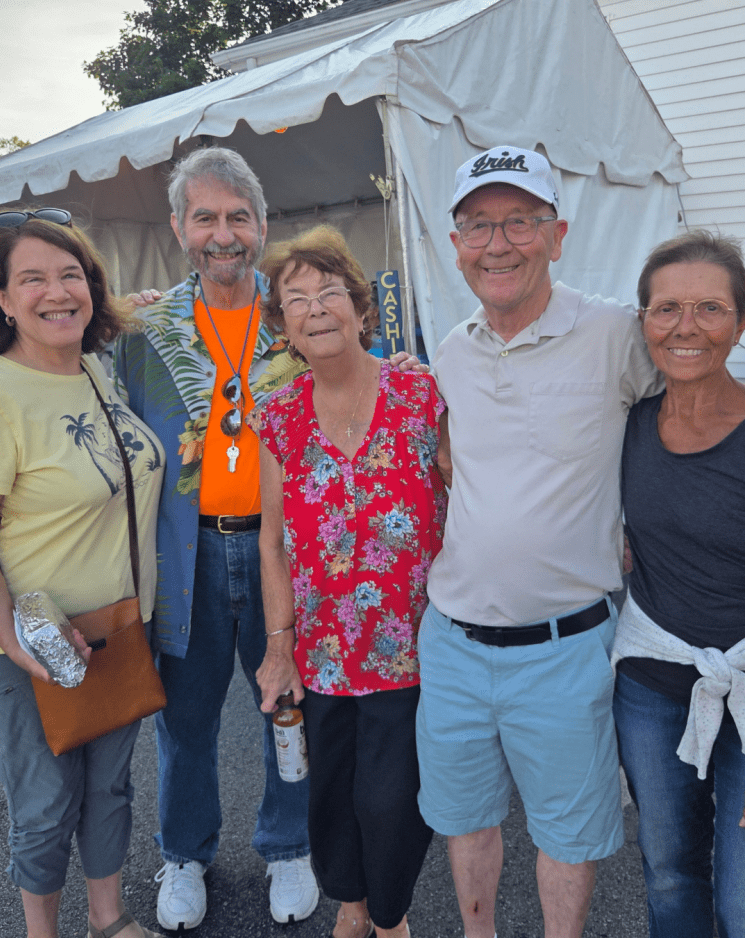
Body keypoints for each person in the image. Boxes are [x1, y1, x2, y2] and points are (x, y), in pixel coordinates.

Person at [415, 145, 663, 938]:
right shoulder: (447, 354)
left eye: (520, 221)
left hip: (566, 647)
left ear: (558, 235)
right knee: (465, 820)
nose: (499, 243)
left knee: (568, 833)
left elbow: (691, 417)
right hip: (451, 642)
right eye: (478, 225)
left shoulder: (616, 335)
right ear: (454, 245)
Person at [112, 147, 318, 932]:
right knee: (184, 720)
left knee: (286, 702)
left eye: (238, 217)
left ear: (262, 226)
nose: (222, 235)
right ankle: (185, 854)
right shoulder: (144, 327)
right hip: (185, 550)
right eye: (206, 218)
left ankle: (289, 845)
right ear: (178, 227)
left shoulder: (298, 312)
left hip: (282, 547)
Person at [247, 225, 447, 938]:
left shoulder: (421, 392)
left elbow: (467, 496)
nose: (316, 308)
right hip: (322, 654)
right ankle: (352, 904)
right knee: (330, 798)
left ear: (362, 309)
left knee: (393, 799)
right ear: (284, 328)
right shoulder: (277, 417)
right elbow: (271, 544)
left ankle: (389, 914)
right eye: (296, 299)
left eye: (330, 291)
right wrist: (278, 646)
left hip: (414, 648)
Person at [0, 212, 165, 938]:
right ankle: (41, 934)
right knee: (43, 808)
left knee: (112, 790)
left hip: (122, 623)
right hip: (38, 644)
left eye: (71, 275)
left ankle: (109, 918)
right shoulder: (1, 393)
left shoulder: (96, 366)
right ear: (1, 299)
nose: (56, 292)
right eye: (31, 278)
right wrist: (11, 642)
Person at [612, 230, 745, 938]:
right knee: (668, 876)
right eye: (666, 310)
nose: (685, 328)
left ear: (740, 322)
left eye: (710, 309)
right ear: (643, 322)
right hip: (653, 688)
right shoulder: (627, 427)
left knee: (741, 901)